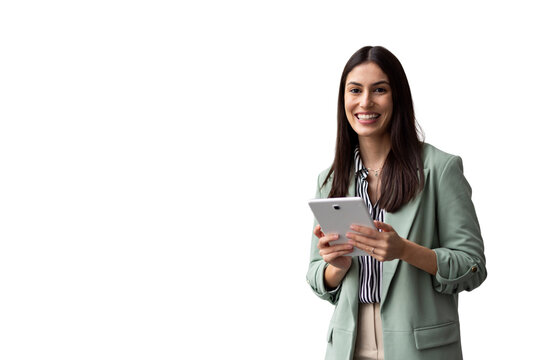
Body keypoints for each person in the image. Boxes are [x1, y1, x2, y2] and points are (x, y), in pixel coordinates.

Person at [306, 46, 487, 360]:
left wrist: (404, 250)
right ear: (343, 100)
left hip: (420, 347)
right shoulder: (330, 179)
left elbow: (473, 266)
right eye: (355, 90)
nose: (365, 102)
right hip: (347, 345)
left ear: (397, 97)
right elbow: (314, 273)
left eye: (379, 90)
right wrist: (336, 268)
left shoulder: (440, 169)